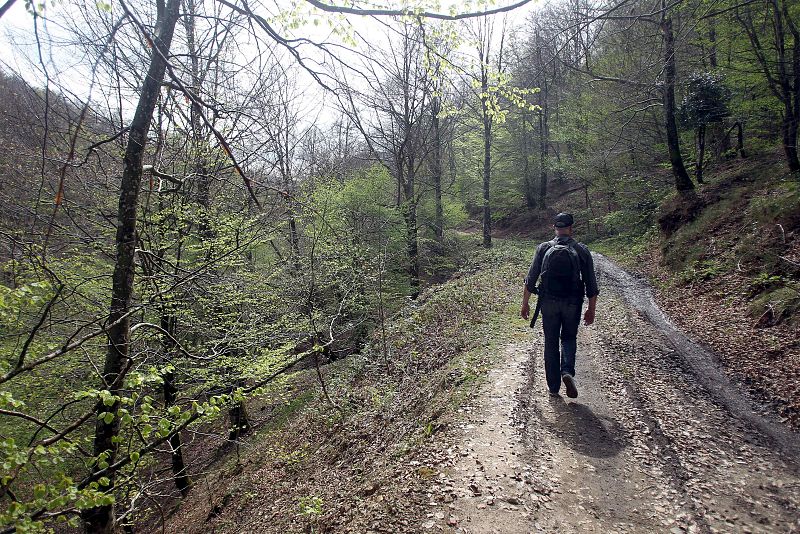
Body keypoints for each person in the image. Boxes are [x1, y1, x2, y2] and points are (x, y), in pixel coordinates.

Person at [520, 212, 599, 398]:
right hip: (573, 302)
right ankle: (567, 372)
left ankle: (554, 388)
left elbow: (530, 280)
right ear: (571, 229)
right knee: (569, 338)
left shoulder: (544, 248)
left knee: (550, 341)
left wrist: (525, 304)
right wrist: (591, 309)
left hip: (548, 302)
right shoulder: (581, 250)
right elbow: (592, 285)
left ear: (554, 228)